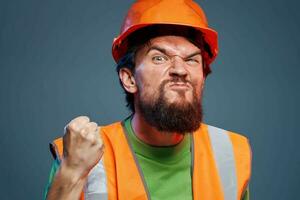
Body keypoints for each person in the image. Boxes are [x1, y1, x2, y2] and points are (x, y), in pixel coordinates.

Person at [44, 0, 251, 200]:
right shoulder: (79, 152)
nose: (180, 70)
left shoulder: (230, 153)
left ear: (203, 78)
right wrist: (71, 172)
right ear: (129, 78)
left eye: (191, 60)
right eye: (159, 58)